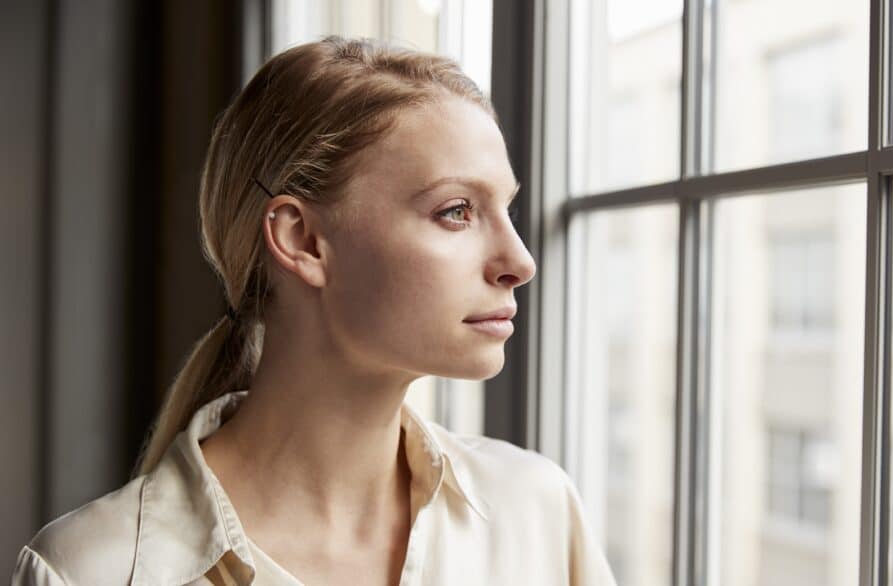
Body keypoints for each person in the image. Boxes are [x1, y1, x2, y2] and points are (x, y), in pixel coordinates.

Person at [11, 36, 617, 585]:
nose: (520, 261)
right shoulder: (89, 571)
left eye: (506, 208)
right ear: (301, 240)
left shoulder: (537, 512)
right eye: (456, 210)